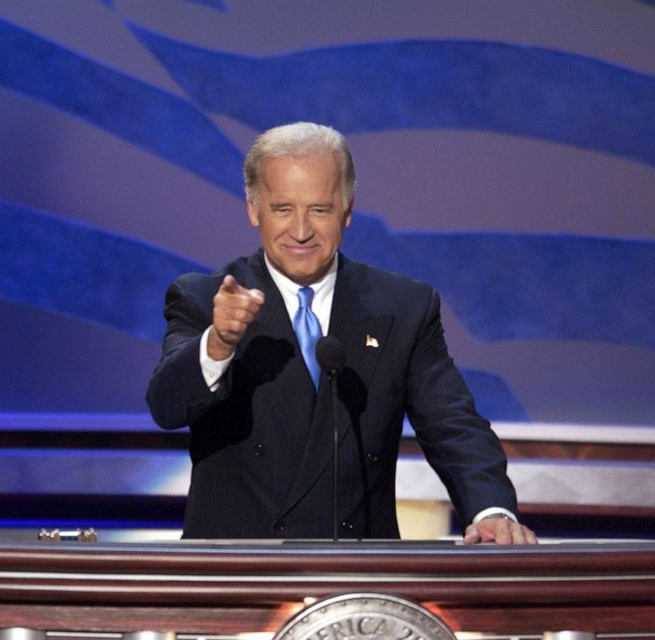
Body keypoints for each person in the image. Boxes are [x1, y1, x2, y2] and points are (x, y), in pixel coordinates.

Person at [147, 122, 536, 545]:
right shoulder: (205, 298)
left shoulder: (402, 307)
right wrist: (219, 342)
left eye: (319, 209)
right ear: (253, 209)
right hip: (239, 572)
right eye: (282, 209)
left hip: (357, 572)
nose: (300, 231)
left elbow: (452, 424)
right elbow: (167, 407)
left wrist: (491, 510)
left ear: (347, 210)